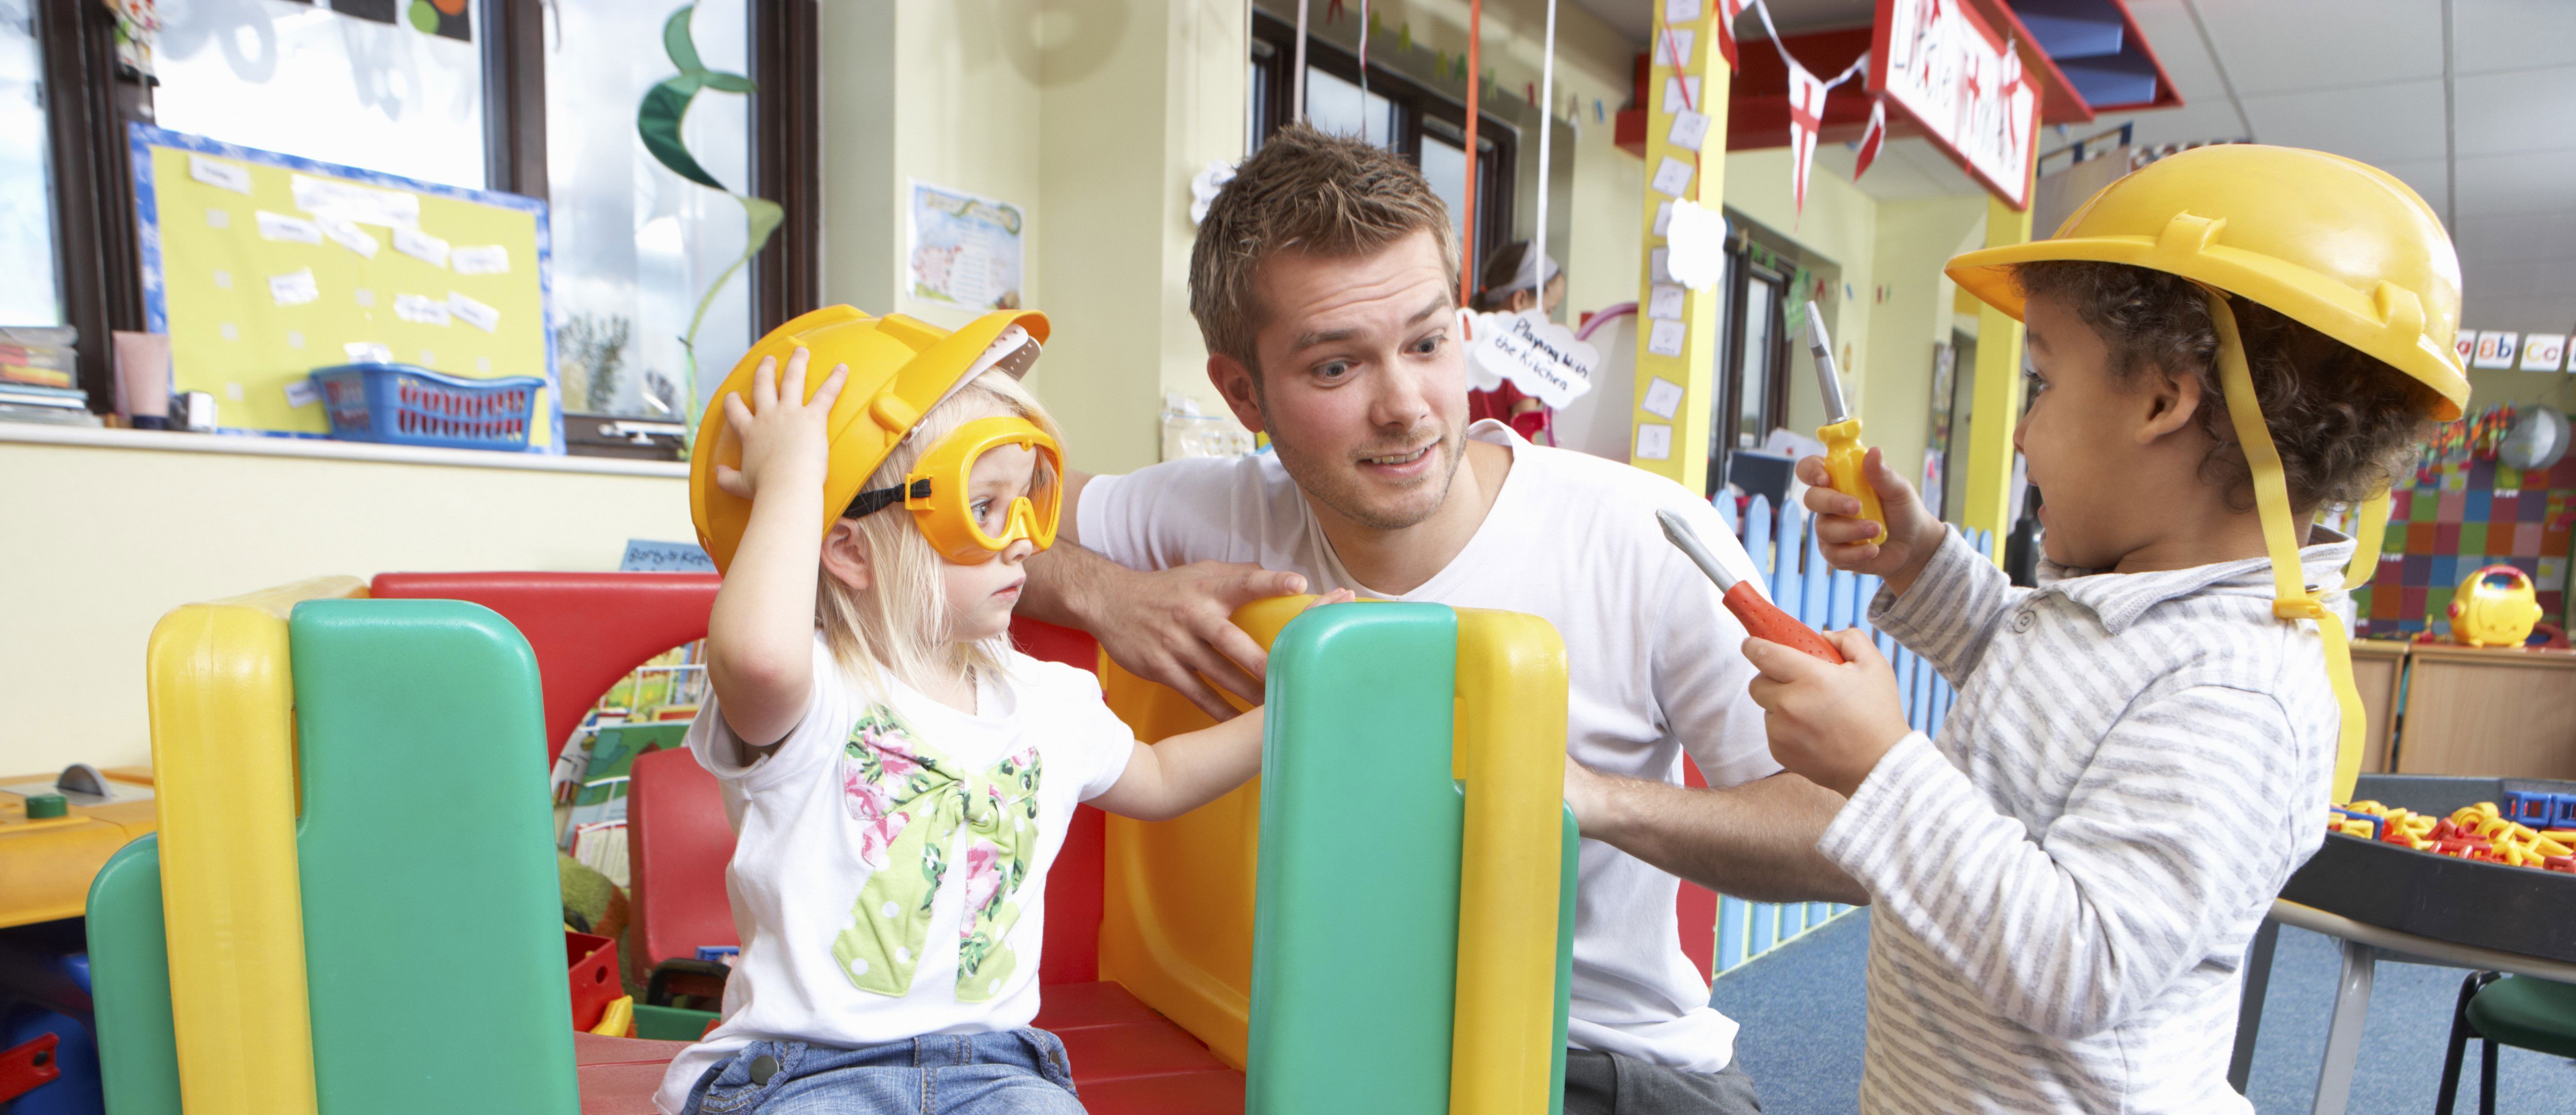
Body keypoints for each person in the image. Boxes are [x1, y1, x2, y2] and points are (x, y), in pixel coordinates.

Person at [1019, 123, 1860, 1114]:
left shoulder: (1642, 534)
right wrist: (1105, 594)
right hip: (1323, 1045)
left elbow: (1840, 831)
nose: (1406, 407)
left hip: (1594, 1062)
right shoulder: (1217, 512)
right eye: (1336, 369)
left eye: (1427, 343)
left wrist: (1591, 796)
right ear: (1242, 391)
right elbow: (959, 516)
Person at [1745, 145, 2463, 1113]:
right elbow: (2032, 679)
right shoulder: (2121, 600)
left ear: (2163, 401)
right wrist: (1917, 558)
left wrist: (1882, 767)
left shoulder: (2235, 691)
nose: (2021, 431)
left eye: (2041, 380)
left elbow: (2080, 961)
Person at [659, 306, 1348, 1115]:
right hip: (811, 1070)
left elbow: (1158, 777)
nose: (1023, 538)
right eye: (982, 509)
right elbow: (756, 655)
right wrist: (791, 480)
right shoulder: (815, 692)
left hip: (992, 1068)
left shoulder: (1048, 698)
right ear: (848, 549)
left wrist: (1294, 709)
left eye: (1031, 499)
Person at [1468, 240, 1567, 443]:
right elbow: (1526, 446)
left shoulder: (1462, 347)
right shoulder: (1521, 363)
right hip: (1501, 473)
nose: (1548, 321)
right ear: (1520, 300)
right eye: (1548, 310)